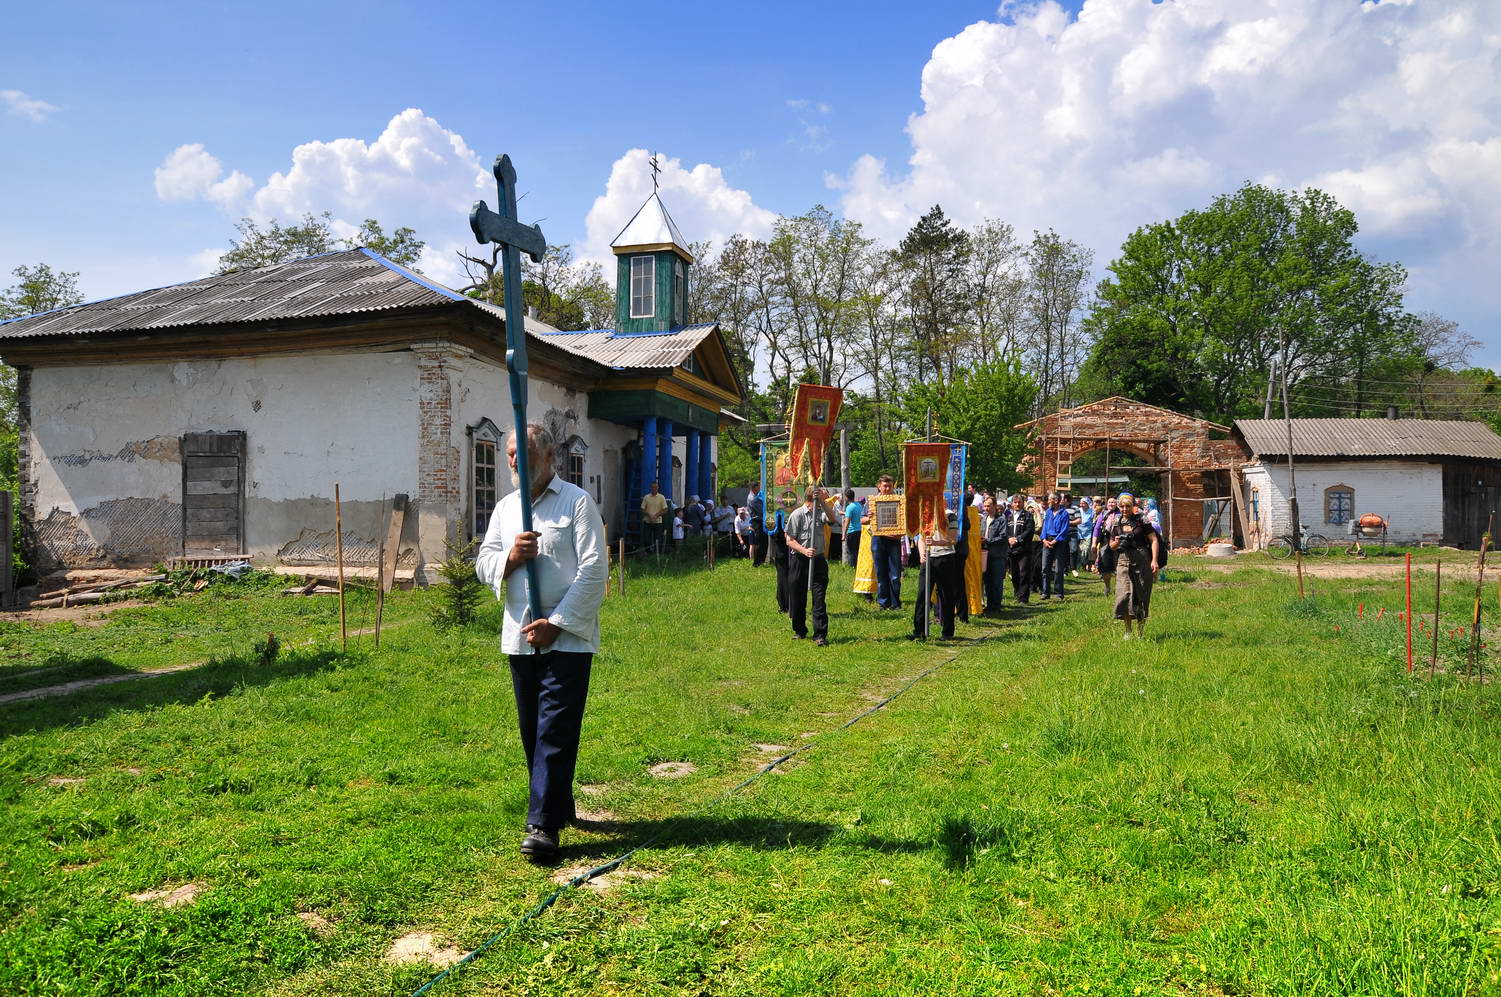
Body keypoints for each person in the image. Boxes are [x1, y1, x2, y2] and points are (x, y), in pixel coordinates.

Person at [476, 424, 607, 864]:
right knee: (533, 729)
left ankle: (542, 826)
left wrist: (559, 622)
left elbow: (594, 570)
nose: (514, 460)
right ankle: (557, 801)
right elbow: (484, 563)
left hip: (567, 639)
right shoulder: (506, 509)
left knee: (554, 728)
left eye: (524, 451)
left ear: (550, 454)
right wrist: (511, 558)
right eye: (510, 452)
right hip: (520, 635)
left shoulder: (576, 503)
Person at [1107, 492, 1162, 639]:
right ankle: (1128, 631)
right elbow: (1111, 545)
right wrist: (1117, 541)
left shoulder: (1141, 519)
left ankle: (1140, 631)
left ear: (1133, 506)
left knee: (1141, 596)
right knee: (1124, 595)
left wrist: (1154, 560)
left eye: (1128, 506)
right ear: (1118, 506)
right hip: (1123, 560)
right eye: (1122, 506)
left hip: (1142, 559)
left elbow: (1154, 540)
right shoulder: (1116, 521)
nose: (1125, 509)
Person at [785, 486, 831, 645]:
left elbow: (832, 518)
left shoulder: (821, 512)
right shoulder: (797, 515)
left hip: (818, 561)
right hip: (800, 560)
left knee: (819, 598)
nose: (819, 503)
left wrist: (824, 503)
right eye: (818, 500)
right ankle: (799, 630)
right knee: (798, 597)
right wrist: (804, 550)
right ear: (810, 499)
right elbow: (789, 540)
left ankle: (820, 635)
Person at [910, 507, 962, 640]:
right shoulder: (925, 514)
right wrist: (921, 554)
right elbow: (921, 538)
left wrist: (935, 542)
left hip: (945, 558)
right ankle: (919, 631)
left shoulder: (950, 515)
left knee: (946, 595)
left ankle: (947, 632)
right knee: (922, 594)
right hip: (928, 560)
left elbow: (953, 539)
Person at [864, 474, 903, 610]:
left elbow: (904, 520)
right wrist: (868, 517)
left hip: (894, 540)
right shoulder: (872, 501)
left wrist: (900, 533)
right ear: (879, 486)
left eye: (889, 486)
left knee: (895, 575)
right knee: (881, 573)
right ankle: (883, 602)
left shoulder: (899, 501)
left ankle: (895, 603)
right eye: (884, 486)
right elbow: (861, 520)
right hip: (878, 540)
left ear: (893, 486)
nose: (887, 488)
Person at [1003, 493, 1034, 603]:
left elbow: (1029, 531)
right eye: (1015, 502)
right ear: (1012, 504)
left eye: (1019, 502)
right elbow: (1005, 530)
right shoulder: (1009, 516)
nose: (1017, 504)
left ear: (1023, 503)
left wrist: (1017, 539)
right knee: (1014, 574)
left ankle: (1024, 598)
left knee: (1024, 573)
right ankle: (1017, 594)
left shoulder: (1028, 515)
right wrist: (1009, 539)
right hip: (1011, 550)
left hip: (1024, 549)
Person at [1040, 491, 1070, 600]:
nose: (1048, 501)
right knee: (1045, 568)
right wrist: (1043, 539)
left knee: (1058, 569)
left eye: (1049, 499)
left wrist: (1056, 540)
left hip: (1059, 543)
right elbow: (1044, 527)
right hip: (1047, 541)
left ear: (1056, 500)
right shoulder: (1048, 512)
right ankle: (1045, 592)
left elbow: (1064, 530)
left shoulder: (1064, 513)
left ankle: (1058, 593)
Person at [981, 494, 1007, 614]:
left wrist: (987, 540)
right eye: (985, 506)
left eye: (989, 506)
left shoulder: (1001, 519)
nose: (986, 508)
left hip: (997, 555)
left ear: (995, 506)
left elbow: (1003, 537)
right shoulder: (983, 519)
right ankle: (989, 604)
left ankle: (996, 606)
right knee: (987, 581)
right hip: (985, 554)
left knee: (996, 581)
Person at [1094, 496, 1121, 597]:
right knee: (1105, 565)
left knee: (1119, 564)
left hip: (1118, 540)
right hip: (1105, 540)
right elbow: (1096, 529)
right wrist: (1094, 543)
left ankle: (1120, 588)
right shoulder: (1103, 514)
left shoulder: (1121, 513)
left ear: (1117, 504)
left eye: (1113, 502)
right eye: (1109, 502)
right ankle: (1107, 586)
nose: (1111, 504)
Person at [640, 481, 668, 555]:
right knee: (646, 539)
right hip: (647, 522)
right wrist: (649, 514)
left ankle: (657, 554)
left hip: (658, 522)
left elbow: (665, 509)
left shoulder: (661, 497)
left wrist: (657, 515)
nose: (654, 489)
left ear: (658, 488)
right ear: (650, 488)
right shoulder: (646, 497)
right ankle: (649, 553)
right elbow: (642, 508)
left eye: (655, 487)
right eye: (653, 487)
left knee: (658, 539)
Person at [843, 488, 864, 567]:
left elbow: (847, 521)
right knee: (858, 550)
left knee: (851, 551)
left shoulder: (849, 507)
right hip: (859, 530)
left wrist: (844, 534)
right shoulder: (859, 505)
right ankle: (859, 567)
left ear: (846, 497)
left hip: (851, 532)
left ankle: (853, 567)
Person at [748, 483, 767, 566]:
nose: (759, 489)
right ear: (754, 488)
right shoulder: (752, 498)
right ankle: (757, 562)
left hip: (761, 521)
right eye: (758, 488)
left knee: (764, 542)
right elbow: (762, 510)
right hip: (757, 521)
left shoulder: (757, 496)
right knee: (759, 542)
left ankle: (761, 560)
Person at [1064, 493, 1082, 577]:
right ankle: (1064, 569)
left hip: (1072, 533)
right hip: (1062, 533)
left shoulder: (1075, 508)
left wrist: (1068, 523)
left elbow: (1079, 520)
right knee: (1064, 551)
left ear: (1066, 500)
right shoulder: (1060, 508)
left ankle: (1073, 569)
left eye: (1062, 499)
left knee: (1073, 550)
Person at [1077, 497, 1095, 572]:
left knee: (1086, 550)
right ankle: (1082, 566)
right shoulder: (1078, 510)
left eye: (1083, 503)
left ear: (1087, 504)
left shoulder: (1092, 512)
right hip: (1079, 533)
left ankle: (1086, 565)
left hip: (1088, 533)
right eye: (1081, 503)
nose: (1081, 505)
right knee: (1080, 550)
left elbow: (1094, 521)